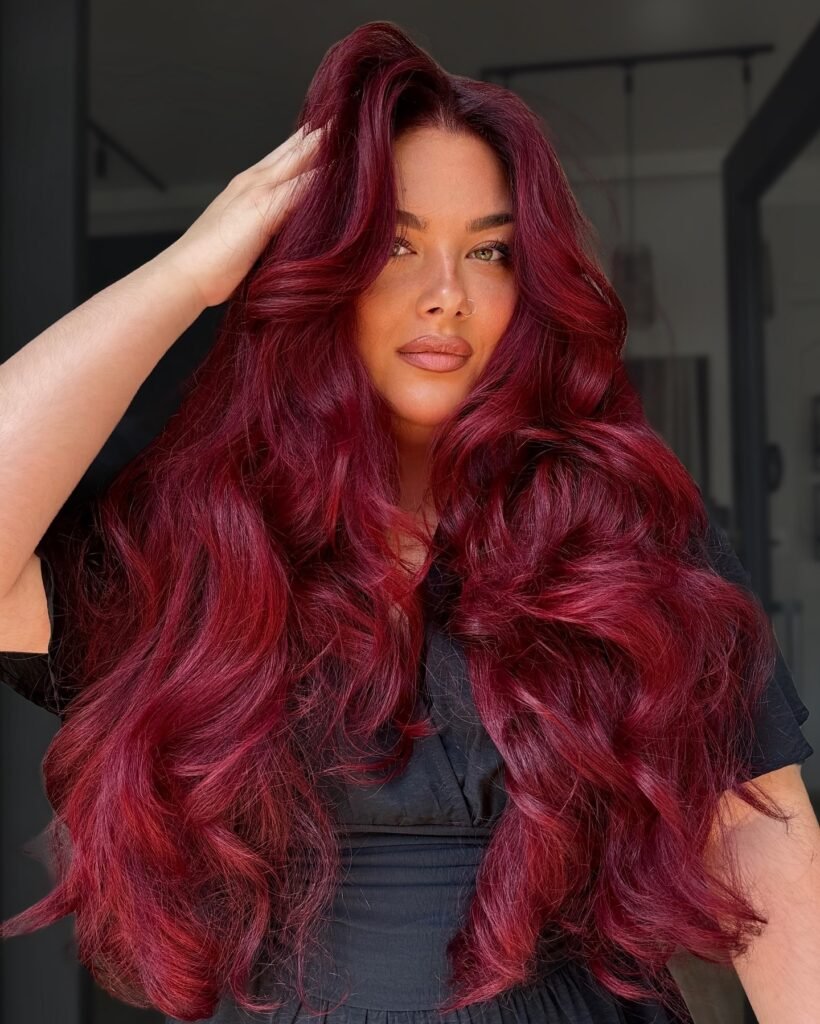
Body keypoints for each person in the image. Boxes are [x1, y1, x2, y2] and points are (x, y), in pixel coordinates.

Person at [0, 20, 816, 1024]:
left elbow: (763, 834)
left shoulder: (623, 525)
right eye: (395, 243)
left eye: (489, 251)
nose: (447, 296)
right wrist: (190, 274)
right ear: (322, 265)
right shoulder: (203, 538)